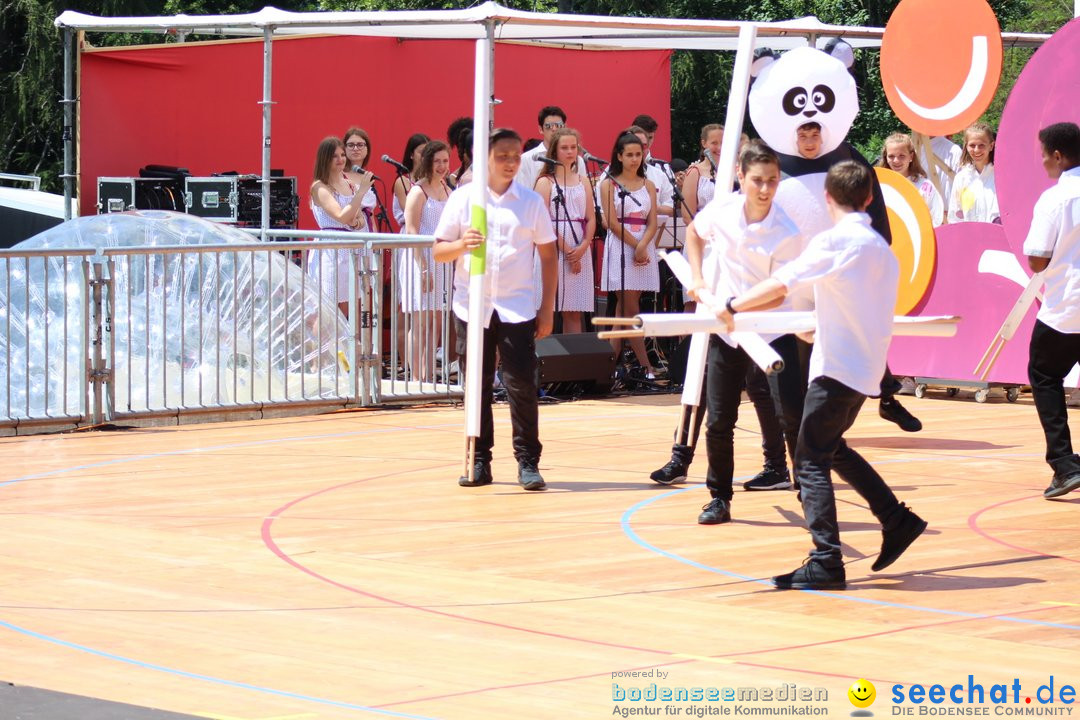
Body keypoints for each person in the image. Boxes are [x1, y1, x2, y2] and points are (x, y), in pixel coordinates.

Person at [716, 160, 927, 589]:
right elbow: (842, 304)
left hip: (838, 368)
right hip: (864, 368)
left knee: (810, 460)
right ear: (869, 198)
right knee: (832, 450)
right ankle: (896, 519)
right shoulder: (881, 250)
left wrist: (733, 306)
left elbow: (781, 283)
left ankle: (827, 560)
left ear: (827, 197)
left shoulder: (834, 242)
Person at [684, 140, 810, 524]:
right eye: (758, 180)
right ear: (741, 176)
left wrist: (735, 306)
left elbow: (777, 294)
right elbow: (693, 232)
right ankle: (719, 497)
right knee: (719, 418)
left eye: (773, 181)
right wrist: (698, 277)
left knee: (791, 415)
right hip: (727, 330)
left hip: (773, 329)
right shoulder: (721, 211)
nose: (766, 189)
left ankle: (808, 492)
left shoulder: (787, 230)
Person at [434, 128, 557, 492]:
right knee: (477, 384)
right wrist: (461, 243)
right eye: (502, 155)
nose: (510, 162)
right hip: (472, 306)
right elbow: (439, 250)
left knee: (522, 384)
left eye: (515, 156)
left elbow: (548, 257)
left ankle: (528, 461)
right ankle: (479, 458)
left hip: (517, 306)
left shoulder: (530, 201)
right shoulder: (465, 198)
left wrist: (546, 309)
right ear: (485, 158)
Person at [787, 120, 923, 434]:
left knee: (859, 333)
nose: (809, 142)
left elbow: (871, 206)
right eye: (803, 135)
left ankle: (883, 399)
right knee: (810, 344)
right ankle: (807, 428)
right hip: (805, 267)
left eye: (814, 134)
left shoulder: (847, 158)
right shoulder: (780, 162)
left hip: (842, 262)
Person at [1023, 122, 1080, 499]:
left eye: (1044, 153)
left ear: (1057, 156)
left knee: (1044, 375)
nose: (1042, 160)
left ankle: (1063, 463)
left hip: (1068, 305)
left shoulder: (1056, 198)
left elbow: (1038, 259)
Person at [599, 131, 660, 378]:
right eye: (630, 155)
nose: (635, 159)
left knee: (622, 312)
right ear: (619, 156)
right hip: (622, 244)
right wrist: (636, 245)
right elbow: (612, 222)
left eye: (639, 154)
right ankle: (645, 366)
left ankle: (606, 366)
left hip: (644, 245)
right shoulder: (608, 184)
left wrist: (644, 245)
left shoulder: (649, 185)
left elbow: (653, 222)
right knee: (628, 305)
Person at [534, 128, 596, 334]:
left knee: (573, 310)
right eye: (564, 148)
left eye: (573, 147)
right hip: (551, 246)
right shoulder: (545, 182)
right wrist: (568, 250)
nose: (570, 152)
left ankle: (572, 362)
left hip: (580, 245)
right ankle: (540, 361)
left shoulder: (583, 180)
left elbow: (591, 217)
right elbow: (541, 220)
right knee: (547, 308)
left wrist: (584, 246)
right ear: (554, 151)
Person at [401, 140, 452, 381]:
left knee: (437, 320)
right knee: (420, 320)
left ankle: (430, 374)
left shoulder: (447, 189)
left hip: (443, 261)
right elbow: (411, 231)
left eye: (445, 161)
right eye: (437, 161)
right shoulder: (417, 191)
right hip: (420, 259)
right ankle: (417, 378)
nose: (442, 166)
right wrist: (422, 268)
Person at [308, 136, 376, 317]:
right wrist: (361, 193)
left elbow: (358, 216)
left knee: (353, 306)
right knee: (329, 310)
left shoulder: (348, 184)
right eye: (335, 156)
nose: (341, 160)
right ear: (325, 159)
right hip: (331, 251)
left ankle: (351, 345)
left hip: (351, 249)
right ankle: (325, 346)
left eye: (342, 155)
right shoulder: (320, 187)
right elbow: (342, 215)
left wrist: (355, 220)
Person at [879, 132, 945, 226]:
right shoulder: (879, 186)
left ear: (911, 156)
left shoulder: (925, 187)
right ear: (886, 157)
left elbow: (936, 219)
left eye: (901, 156)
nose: (896, 161)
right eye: (891, 156)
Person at [516, 105, 587, 191]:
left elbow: (583, 191)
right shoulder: (527, 159)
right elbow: (522, 194)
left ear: (564, 127)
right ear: (540, 129)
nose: (554, 129)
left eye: (558, 125)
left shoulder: (577, 160)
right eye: (548, 126)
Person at [948, 122, 999, 224]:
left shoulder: (1001, 176)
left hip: (997, 237)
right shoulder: (961, 178)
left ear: (991, 146)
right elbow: (954, 217)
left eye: (981, 145)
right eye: (972, 145)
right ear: (966, 146)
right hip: (969, 238)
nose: (976, 150)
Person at [681, 124, 724, 224]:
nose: (719, 147)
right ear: (704, 143)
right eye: (714, 143)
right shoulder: (695, 172)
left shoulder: (736, 170)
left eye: (723, 143)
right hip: (704, 234)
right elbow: (688, 216)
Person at [392, 133, 430, 229]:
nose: (425, 156)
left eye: (428, 152)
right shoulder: (402, 181)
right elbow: (409, 211)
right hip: (411, 230)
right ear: (411, 155)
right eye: (421, 152)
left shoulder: (433, 180)